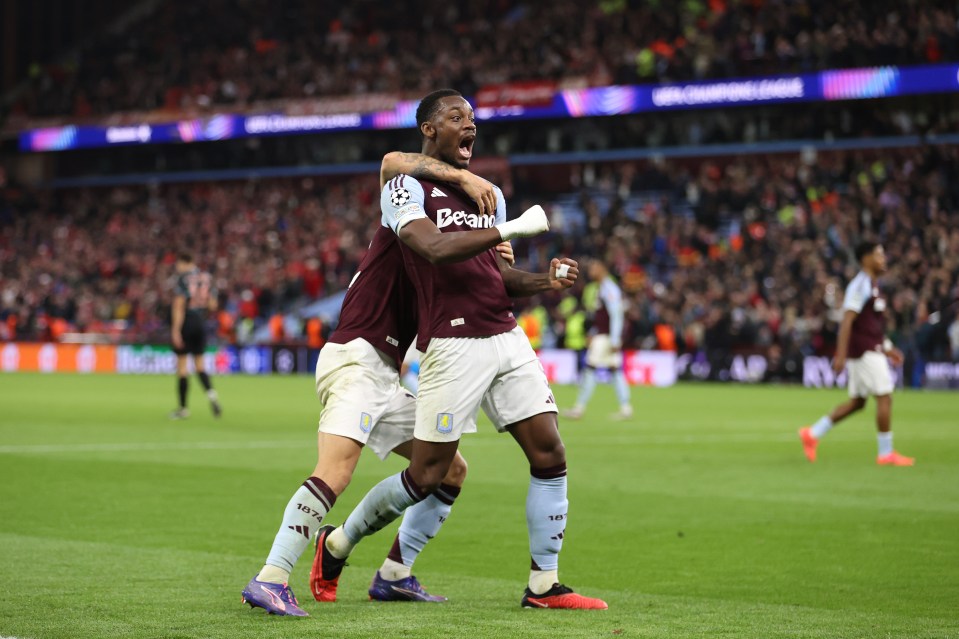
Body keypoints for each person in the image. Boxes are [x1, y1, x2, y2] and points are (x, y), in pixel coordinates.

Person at [313, 89, 608, 610]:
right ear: (429, 130)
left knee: (550, 452)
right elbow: (433, 248)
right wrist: (508, 226)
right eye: (456, 118)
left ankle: (543, 585)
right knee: (429, 473)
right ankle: (338, 543)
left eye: (472, 118)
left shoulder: (485, 194)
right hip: (452, 342)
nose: (469, 125)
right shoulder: (405, 187)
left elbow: (499, 275)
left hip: (505, 335)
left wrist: (545, 281)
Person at [241, 150, 548, 616]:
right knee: (337, 470)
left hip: (385, 372)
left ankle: (394, 575)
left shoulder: (446, 234)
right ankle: (271, 576)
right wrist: (467, 181)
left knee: (448, 470)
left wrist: (504, 261)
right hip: (357, 358)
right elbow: (391, 163)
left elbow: (477, 268)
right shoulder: (402, 211)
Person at [799, 241, 914, 466]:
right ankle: (886, 453)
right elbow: (847, 321)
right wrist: (840, 355)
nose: (884, 259)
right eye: (879, 255)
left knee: (858, 402)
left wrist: (889, 349)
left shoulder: (873, 286)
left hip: (870, 349)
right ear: (865, 259)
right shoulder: (860, 285)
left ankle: (812, 434)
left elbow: (872, 326)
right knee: (885, 396)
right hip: (864, 352)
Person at [564, 259, 632, 420]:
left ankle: (579, 408)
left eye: (594, 268)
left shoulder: (609, 288)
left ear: (602, 269)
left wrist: (615, 339)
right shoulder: (602, 287)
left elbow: (616, 315)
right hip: (604, 336)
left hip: (606, 338)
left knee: (589, 369)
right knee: (615, 371)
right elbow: (602, 316)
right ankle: (626, 408)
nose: (590, 271)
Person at [169, 253, 221, 419]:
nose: (177, 268)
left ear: (185, 262)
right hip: (201, 323)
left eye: (178, 264)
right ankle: (212, 396)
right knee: (200, 366)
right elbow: (213, 305)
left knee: (182, 368)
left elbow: (178, 306)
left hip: (187, 321)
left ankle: (183, 409)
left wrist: (176, 330)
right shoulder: (206, 278)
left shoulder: (183, 278)